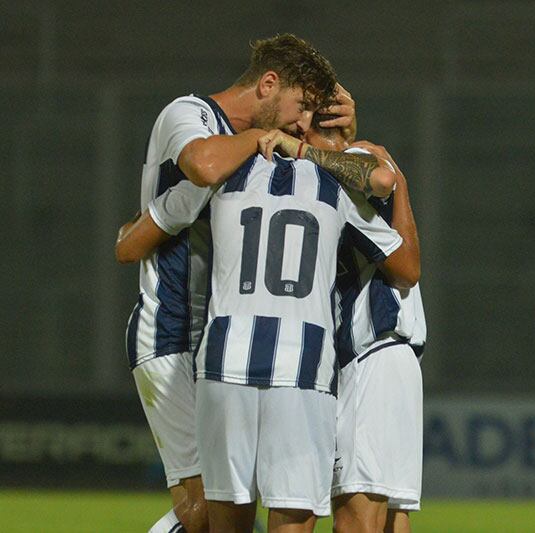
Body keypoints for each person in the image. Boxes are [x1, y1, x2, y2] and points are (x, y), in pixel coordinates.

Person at [116, 34, 343, 533]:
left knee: (239, 502)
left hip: (224, 340)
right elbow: (204, 164)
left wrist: (330, 138)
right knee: (203, 511)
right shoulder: (189, 114)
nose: (302, 124)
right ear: (267, 84)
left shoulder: (265, 156)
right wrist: (274, 141)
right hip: (170, 329)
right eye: (301, 106)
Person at [191, 120, 419, 531]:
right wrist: (394, 176)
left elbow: (174, 199)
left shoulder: (225, 172)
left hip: (225, 355)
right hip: (305, 363)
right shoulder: (333, 182)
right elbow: (406, 263)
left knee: (226, 520)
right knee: (310, 515)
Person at [302, 114, 425, 533]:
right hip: (392, 358)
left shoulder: (346, 167)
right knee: (391, 519)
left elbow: (406, 269)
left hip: (369, 352)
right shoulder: (358, 172)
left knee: (354, 521)